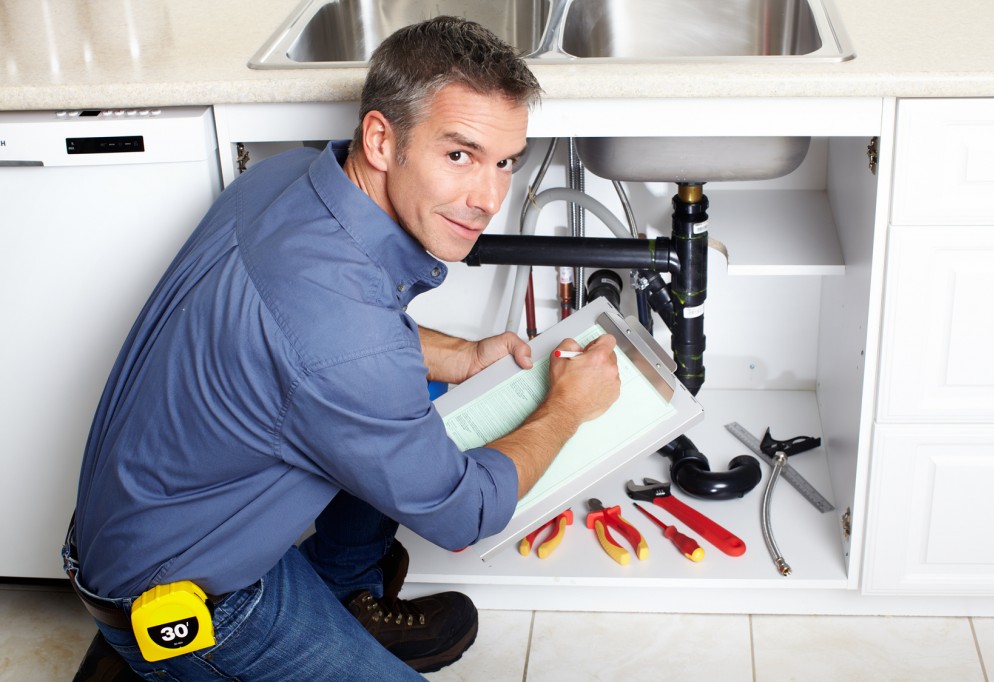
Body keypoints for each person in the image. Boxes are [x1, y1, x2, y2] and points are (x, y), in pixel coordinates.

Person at [64, 15, 620, 681]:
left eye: (505, 163)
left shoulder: (289, 179)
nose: (488, 197)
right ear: (383, 141)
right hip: (190, 603)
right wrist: (566, 409)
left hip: (158, 525)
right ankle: (152, 668)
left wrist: (465, 357)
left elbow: (314, 348)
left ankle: (341, 592)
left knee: (411, 390)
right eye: (459, 155)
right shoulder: (347, 342)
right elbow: (464, 511)